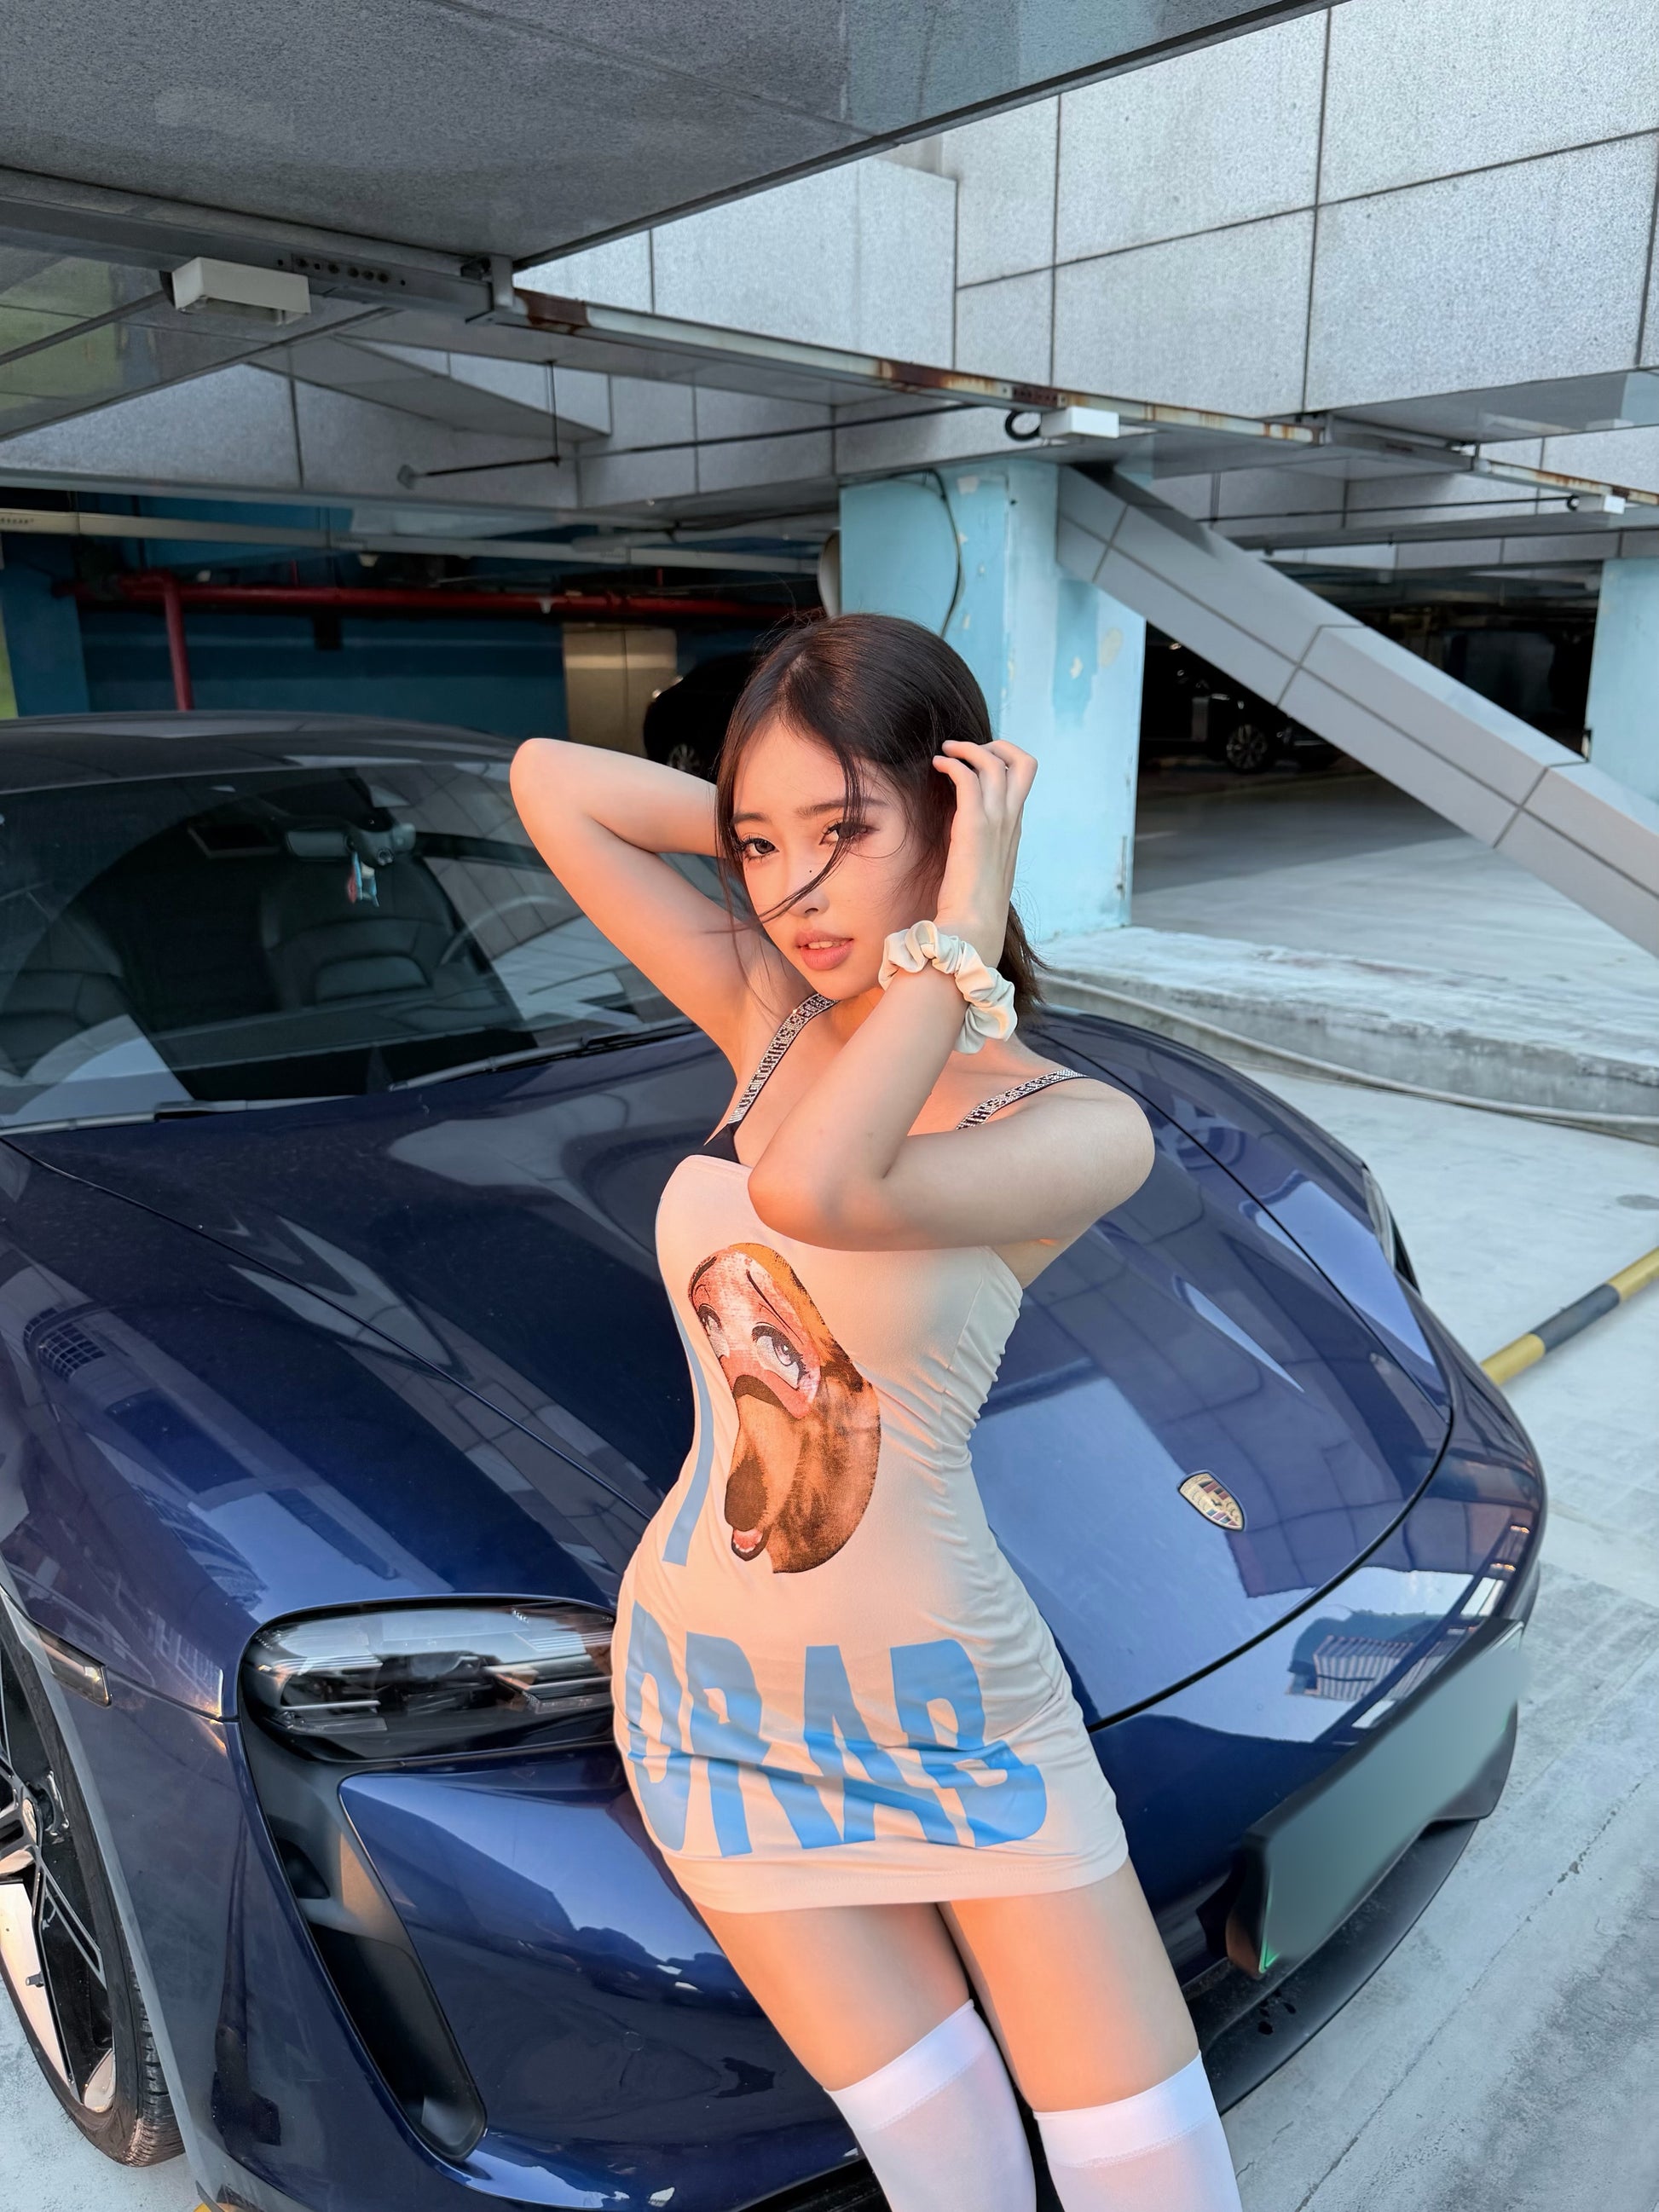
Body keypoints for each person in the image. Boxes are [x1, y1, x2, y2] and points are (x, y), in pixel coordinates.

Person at [511, 613, 1245, 2212]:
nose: (793, 892)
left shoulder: (1077, 1123)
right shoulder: (771, 1017)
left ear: (949, 811)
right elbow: (550, 782)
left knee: (1151, 2186)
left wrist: (957, 929)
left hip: (954, 1718)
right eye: (760, 846)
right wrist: (773, 824)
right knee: (940, 2172)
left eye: (843, 831)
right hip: (705, 1696)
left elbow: (819, 1189)